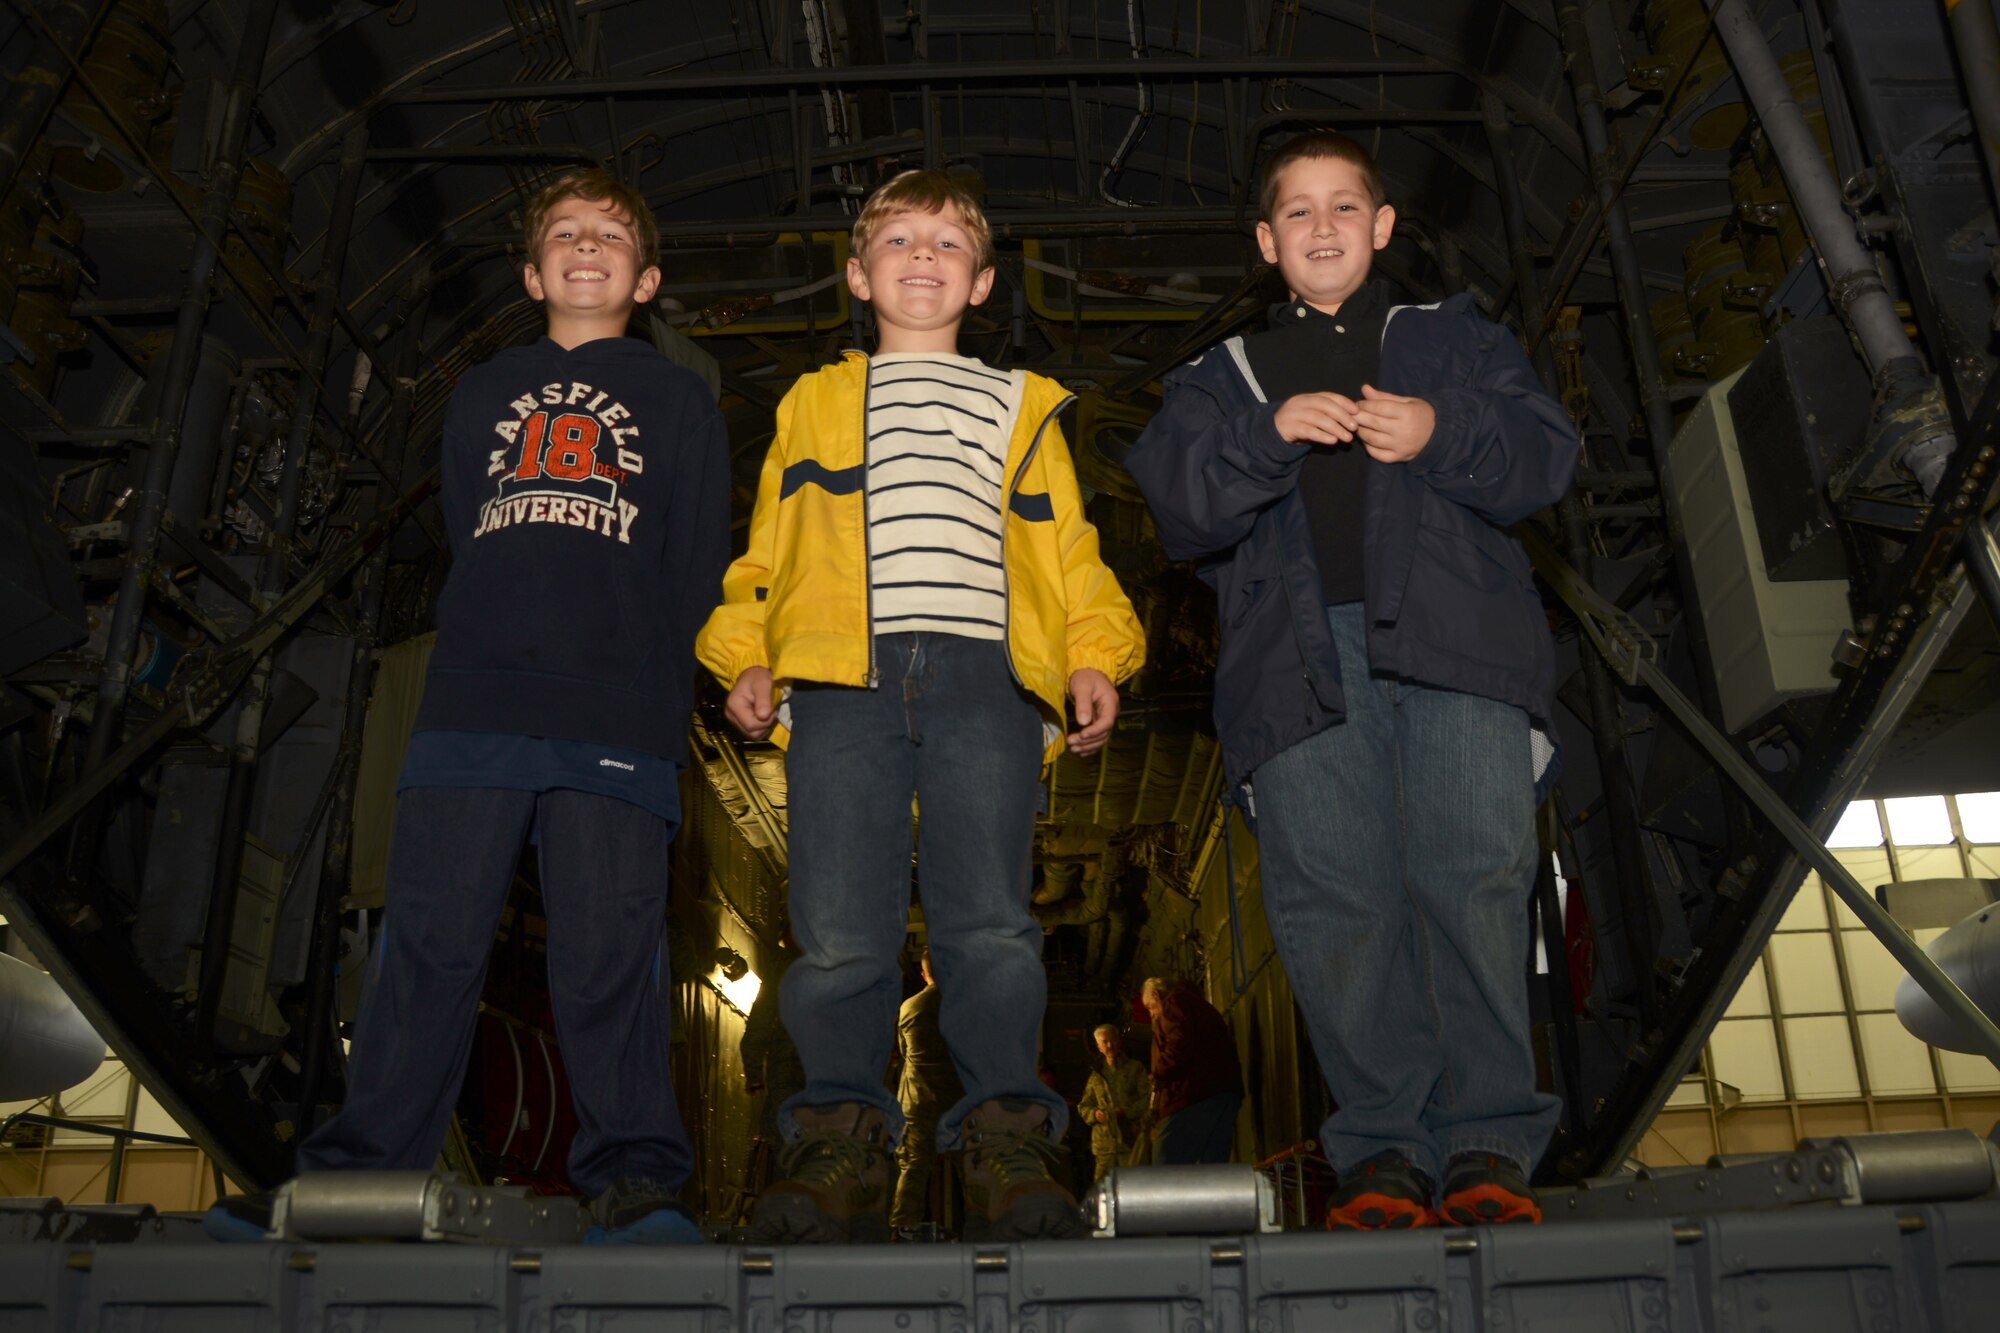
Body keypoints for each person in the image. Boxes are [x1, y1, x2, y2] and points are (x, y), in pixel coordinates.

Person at [1125, 130, 1572, 1230]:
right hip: (1295, 669)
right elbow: (1180, 506)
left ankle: (1484, 1143)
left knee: (1472, 879)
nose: (1320, 228)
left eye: (1343, 209)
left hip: (1453, 646)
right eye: (1296, 212)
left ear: (1378, 228)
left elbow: (1541, 455)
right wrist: (1266, 434)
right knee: (1336, 909)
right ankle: (1381, 1155)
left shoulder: (1455, 343)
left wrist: (1439, 428)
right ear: (1265, 241)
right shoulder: (1214, 380)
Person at [697, 168, 1146, 1244]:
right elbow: (767, 552)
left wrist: (1093, 654)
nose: (920, 259)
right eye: (897, 241)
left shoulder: (1019, 406)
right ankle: (838, 1140)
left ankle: (1005, 1138)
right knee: (840, 929)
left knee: (988, 921)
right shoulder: (811, 401)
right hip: (840, 682)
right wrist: (745, 650)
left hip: (984, 680)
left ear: (981, 282)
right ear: (857, 274)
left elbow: (1068, 553)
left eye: (947, 245)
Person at [283, 169, 730, 1245]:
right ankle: (361, 1178)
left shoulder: (679, 404)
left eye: (611, 234)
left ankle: (635, 1178)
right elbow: (463, 525)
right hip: (469, 708)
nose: (587, 246)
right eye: (564, 233)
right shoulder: (483, 391)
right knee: (426, 945)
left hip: (615, 718)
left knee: (608, 950)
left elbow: (695, 566)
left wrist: (667, 710)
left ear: (646, 276)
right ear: (533, 274)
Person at [890, 948, 967, 1232]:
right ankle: (982, 1235)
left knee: (913, 1172)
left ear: (924, 975)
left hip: (918, 1103)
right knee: (972, 1174)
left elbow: (903, 1051)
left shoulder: (909, 1007)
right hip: (960, 1103)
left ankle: (902, 1235)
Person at [1139, 977, 1243, 1165]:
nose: (1152, 1015)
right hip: (1225, 1095)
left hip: (1192, 1096)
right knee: (1213, 1170)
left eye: (1149, 1007)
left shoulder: (1173, 1001)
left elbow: (1179, 1043)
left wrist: (1158, 1073)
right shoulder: (1201, 1008)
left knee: (1165, 1163)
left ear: (1156, 994)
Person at [1076, 1023, 1150, 1183]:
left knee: (1132, 1186)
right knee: (1103, 1190)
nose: (1110, 1045)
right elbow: (1083, 1107)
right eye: (1105, 1042)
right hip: (1105, 1147)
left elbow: (1147, 1100)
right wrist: (1095, 1114)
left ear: (1119, 1041)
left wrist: (1126, 1112)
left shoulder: (1134, 1068)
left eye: (1113, 1040)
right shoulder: (1096, 1074)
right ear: (1099, 1047)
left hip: (1130, 1143)